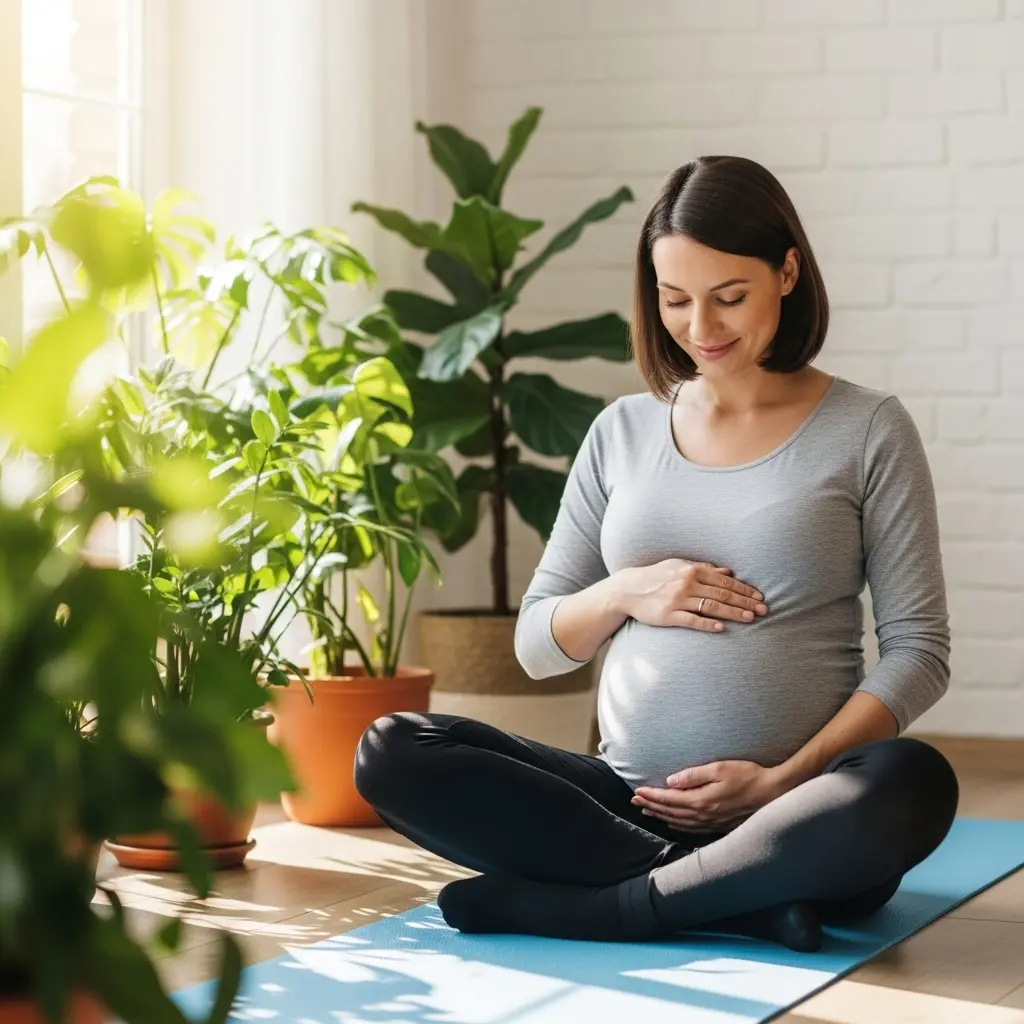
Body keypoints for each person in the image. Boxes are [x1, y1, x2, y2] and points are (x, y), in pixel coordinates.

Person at [354, 155, 959, 952]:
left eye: (729, 297)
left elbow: (921, 650)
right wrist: (625, 593)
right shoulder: (622, 431)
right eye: (676, 300)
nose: (701, 329)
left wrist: (781, 780)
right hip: (621, 804)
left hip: (795, 810)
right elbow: (537, 644)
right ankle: (719, 898)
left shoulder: (868, 428)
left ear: (787, 271)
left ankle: (604, 908)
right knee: (393, 750)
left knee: (914, 782)